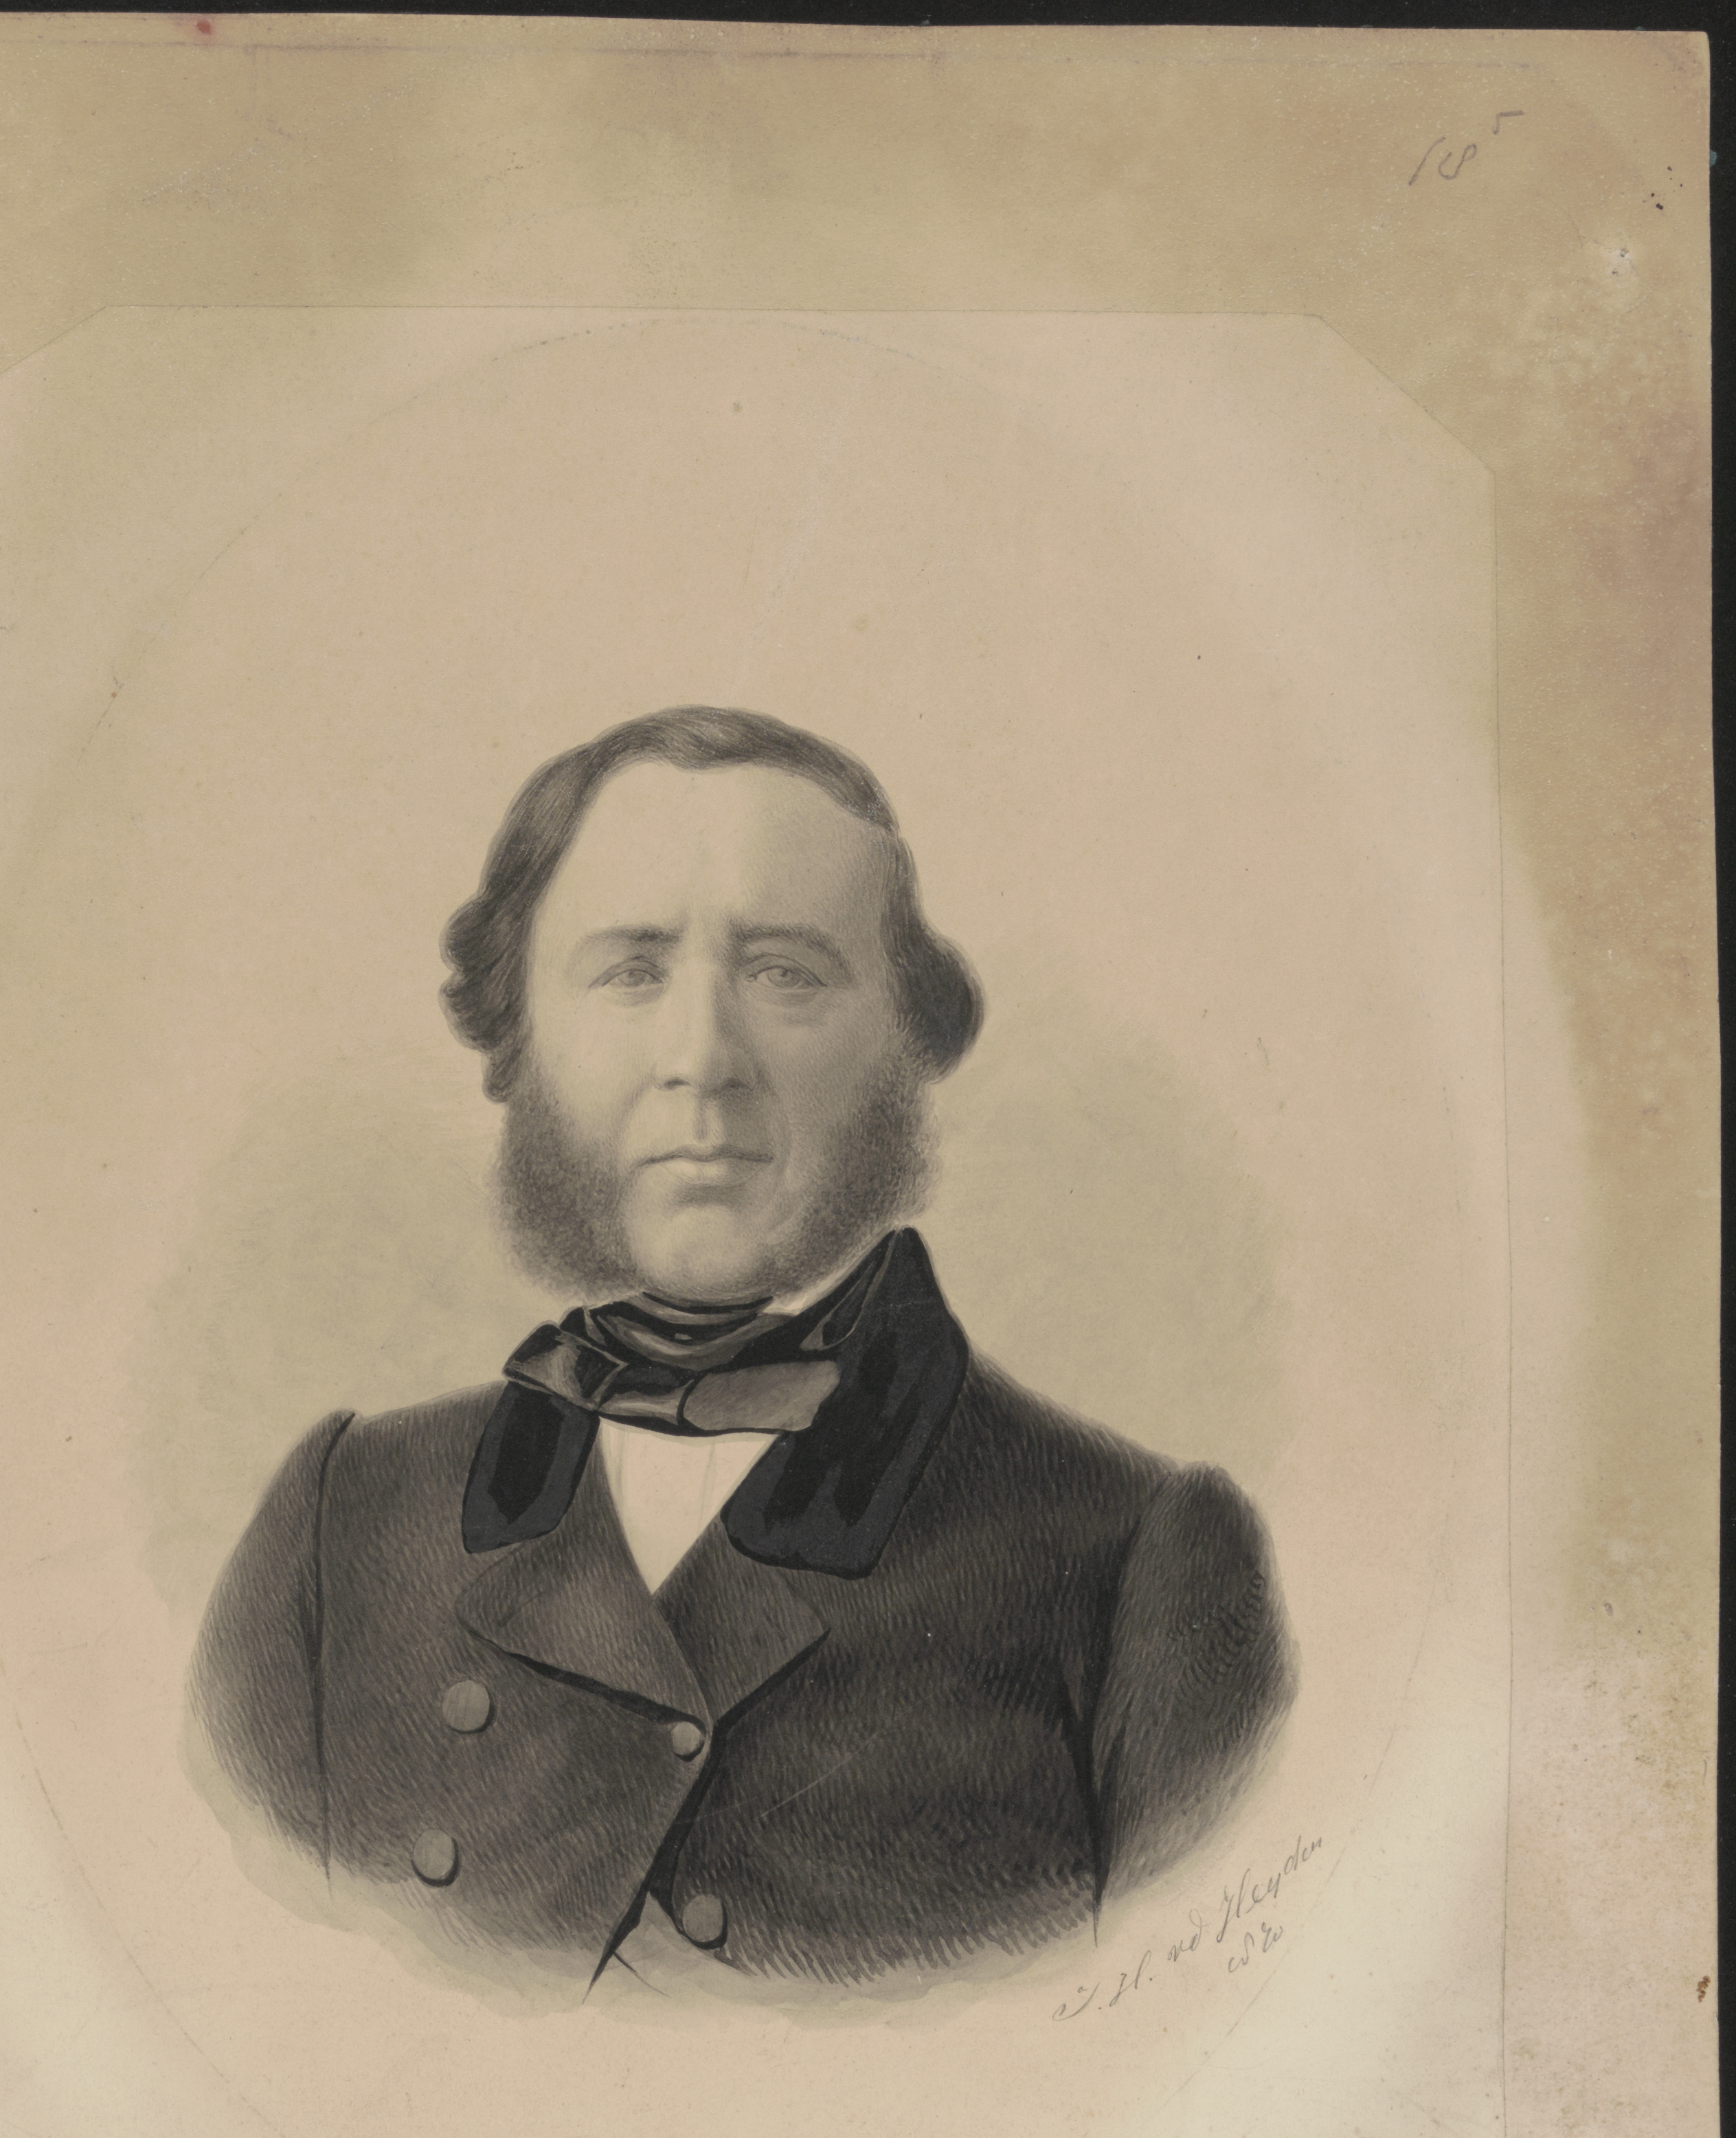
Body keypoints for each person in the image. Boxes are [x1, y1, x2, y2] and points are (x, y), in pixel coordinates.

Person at [190, 706, 1297, 1995]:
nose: (703, 1060)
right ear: (515, 1035)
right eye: (629, 972)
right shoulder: (337, 1523)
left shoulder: (1143, 1559)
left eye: (786, 975)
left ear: (906, 1043)